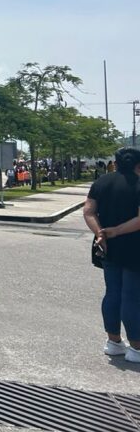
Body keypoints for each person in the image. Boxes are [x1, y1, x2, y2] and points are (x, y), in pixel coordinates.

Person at [83, 147, 140, 362]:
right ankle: (136, 348)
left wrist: (100, 232)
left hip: (108, 245)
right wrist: (117, 230)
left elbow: (88, 211)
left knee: (113, 292)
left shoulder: (101, 182)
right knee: (132, 296)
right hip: (134, 246)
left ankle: (113, 342)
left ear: (115, 162)